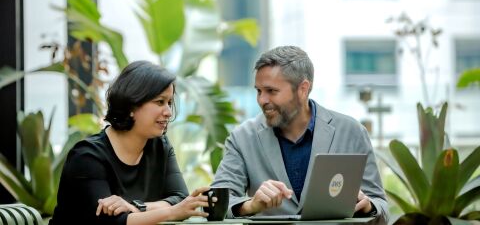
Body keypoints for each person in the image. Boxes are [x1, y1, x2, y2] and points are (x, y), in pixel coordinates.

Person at [212, 46, 389, 223]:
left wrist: (368, 206)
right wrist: (250, 206)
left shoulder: (351, 132)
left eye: (271, 91)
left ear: (303, 89)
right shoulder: (242, 138)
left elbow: (381, 208)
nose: (262, 100)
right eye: (258, 91)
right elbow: (215, 204)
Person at [50, 61, 212, 225]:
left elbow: (180, 198)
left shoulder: (160, 146)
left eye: (169, 103)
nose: (168, 112)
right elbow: (110, 222)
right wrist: (170, 212)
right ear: (131, 106)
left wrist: (136, 207)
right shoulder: (87, 156)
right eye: (160, 102)